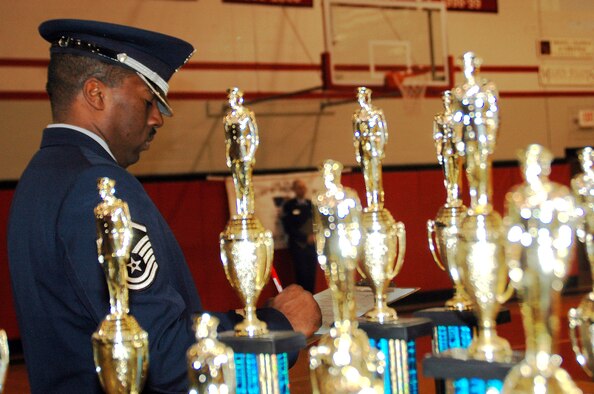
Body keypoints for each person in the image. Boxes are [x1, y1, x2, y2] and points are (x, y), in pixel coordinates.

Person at [7, 19, 321, 393]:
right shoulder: (98, 188)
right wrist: (276, 327)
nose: (156, 117)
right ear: (96, 93)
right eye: (148, 100)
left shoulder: (41, 177)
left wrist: (247, 319)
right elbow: (162, 356)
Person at [281, 179, 318, 293]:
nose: (301, 190)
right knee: (301, 275)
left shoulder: (311, 204)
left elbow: (317, 222)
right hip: (298, 246)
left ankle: (312, 298)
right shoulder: (289, 206)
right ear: (294, 190)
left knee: (311, 275)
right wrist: (304, 238)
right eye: (298, 188)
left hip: (312, 246)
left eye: (303, 187)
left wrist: (315, 236)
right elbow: (289, 227)